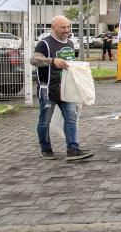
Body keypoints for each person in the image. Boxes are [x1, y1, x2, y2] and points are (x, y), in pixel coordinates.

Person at [30, 15, 93, 161]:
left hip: (67, 89)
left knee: (71, 118)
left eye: (68, 27)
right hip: (48, 89)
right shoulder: (44, 44)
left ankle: (73, 149)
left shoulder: (70, 43)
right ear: (53, 28)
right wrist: (52, 60)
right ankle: (45, 148)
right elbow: (33, 60)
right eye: (63, 27)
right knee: (44, 120)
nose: (67, 30)